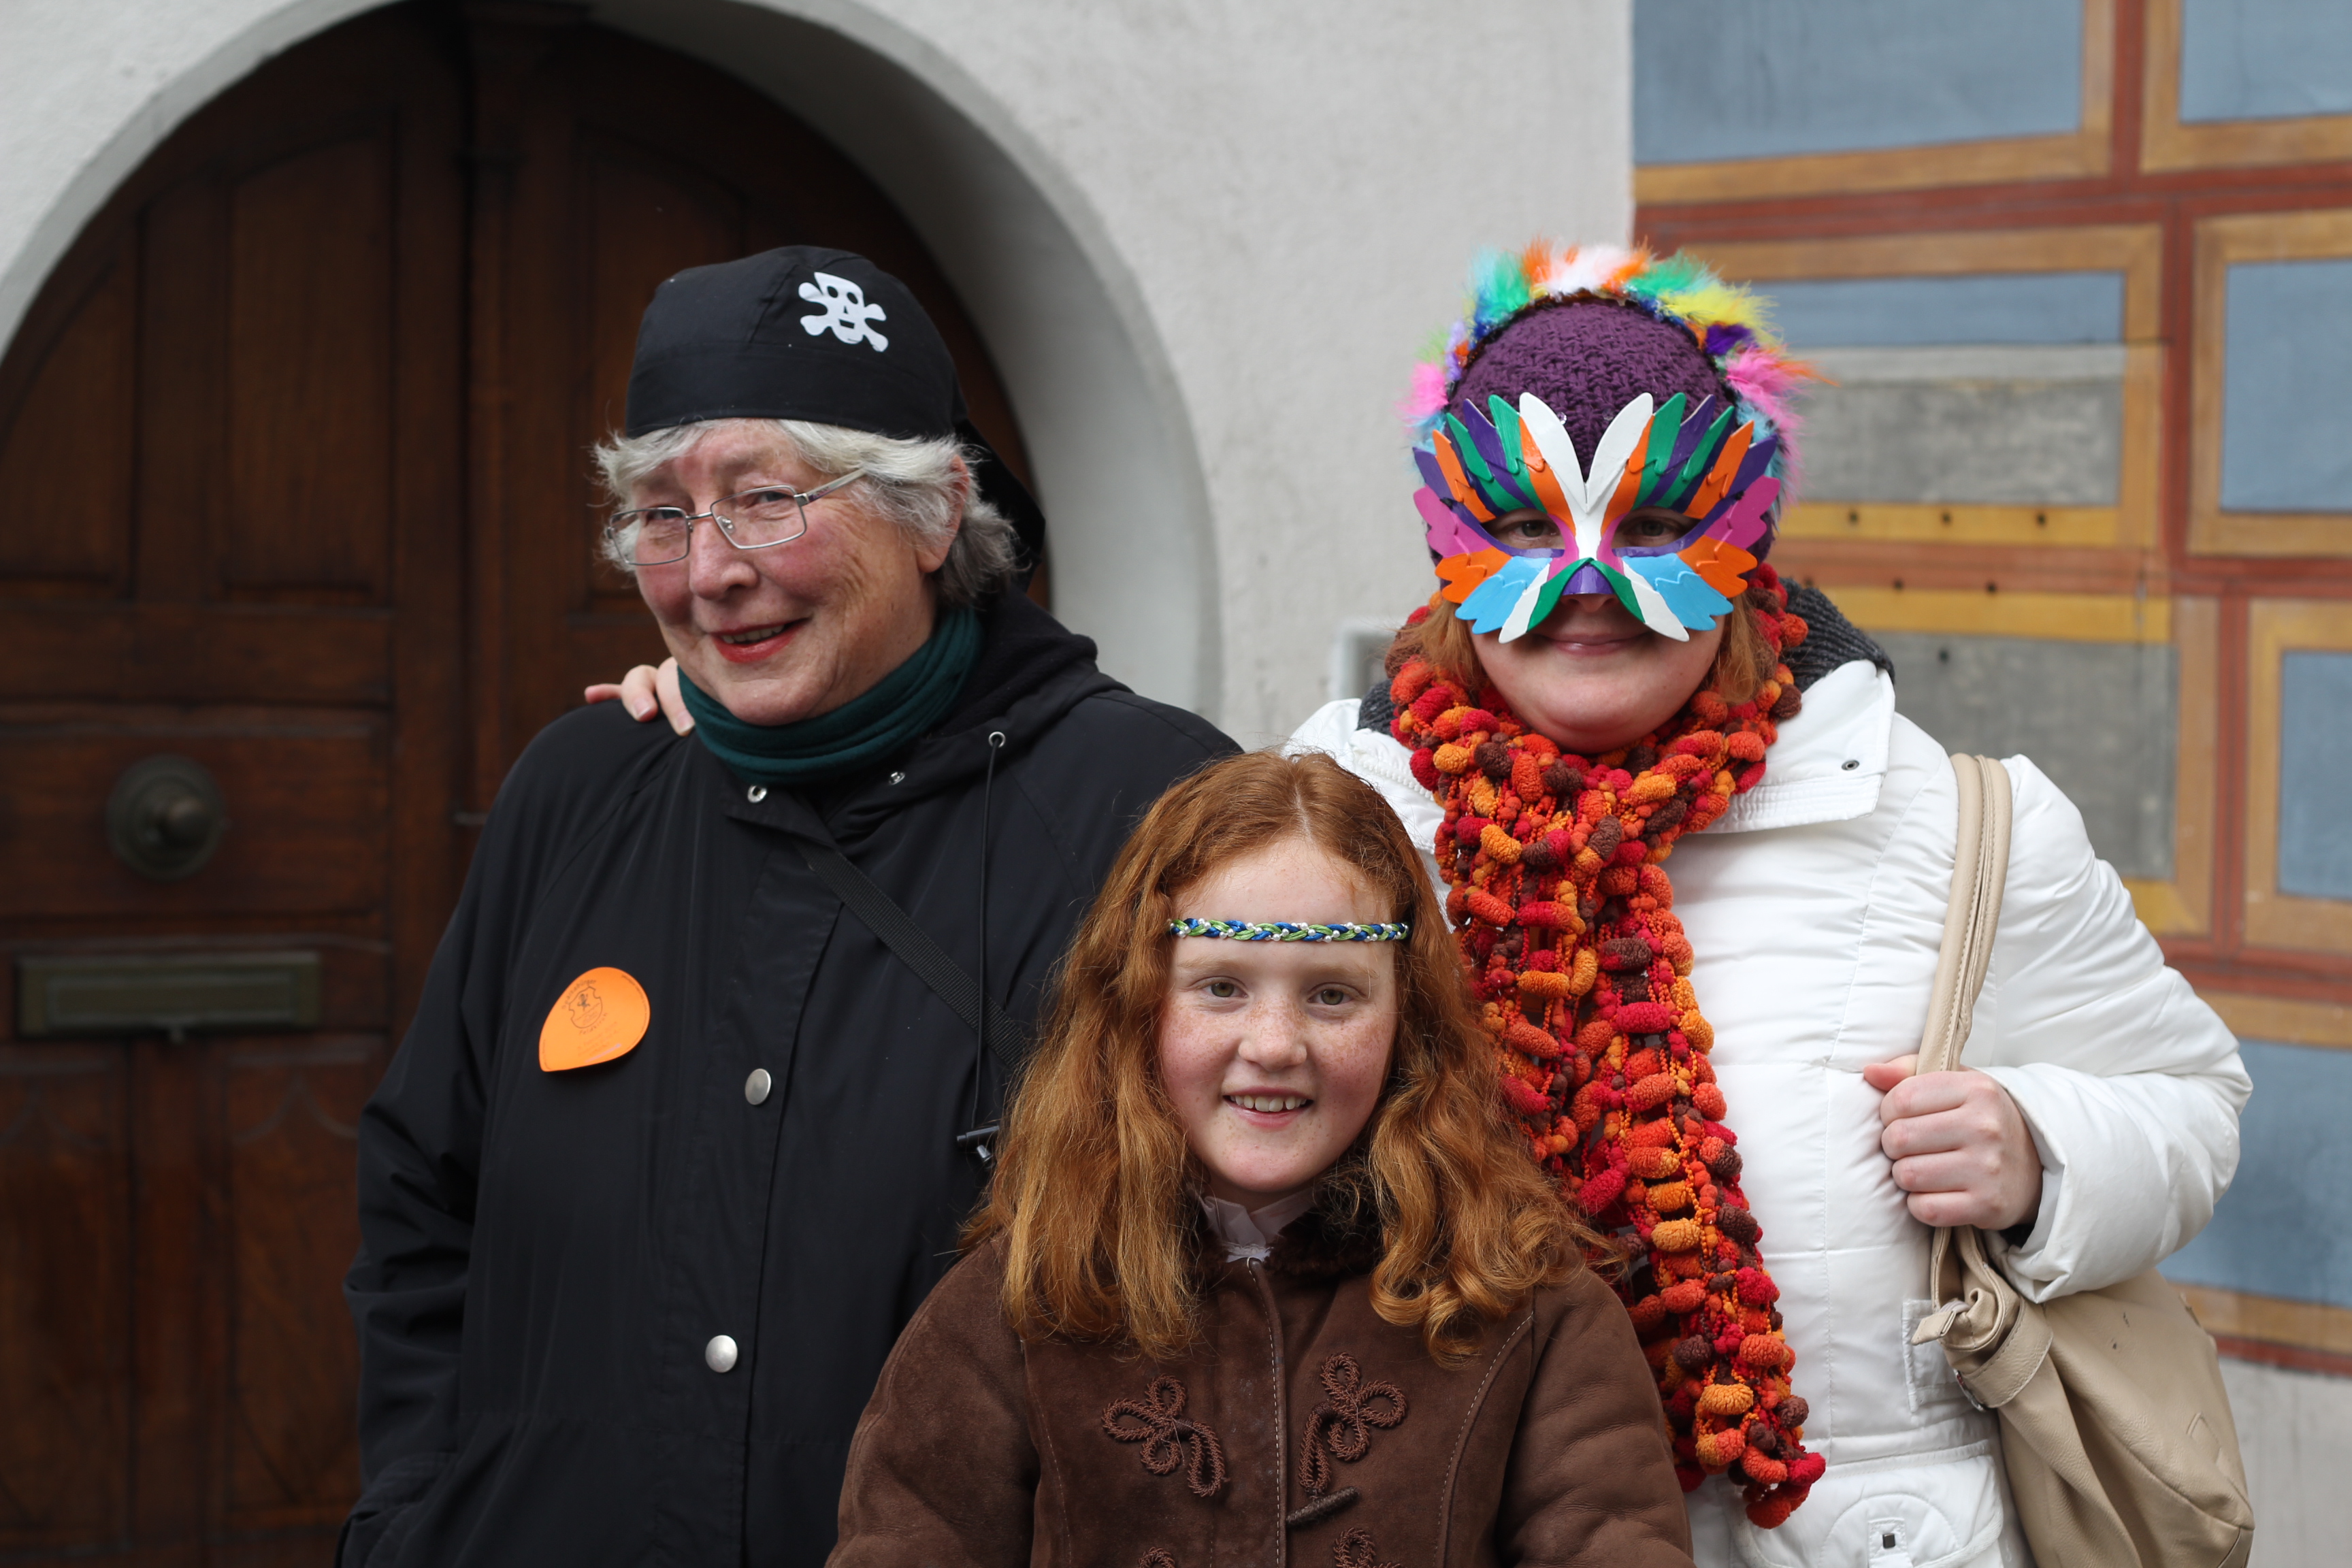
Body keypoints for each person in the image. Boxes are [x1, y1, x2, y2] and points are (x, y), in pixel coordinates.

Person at [1282, 242, 2249, 1567]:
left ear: (1744, 528)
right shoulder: (1321, 831)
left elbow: (2191, 1101)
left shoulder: (1956, 823)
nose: (1586, 585)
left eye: (1656, 526)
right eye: (1522, 529)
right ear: (1449, 532)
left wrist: (2040, 1157)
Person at [340, 246, 1231, 1567]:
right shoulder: (581, 792)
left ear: (936, 514)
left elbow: (1252, 1257)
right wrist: (414, 1523)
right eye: (662, 513)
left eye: (766, 500)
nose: (708, 572)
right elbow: (425, 1202)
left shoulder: (1150, 811)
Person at [830, 749, 1697, 1568]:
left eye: (1333, 994)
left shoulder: (1533, 1311)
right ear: (1137, 1006)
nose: (1275, 1045)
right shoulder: (1013, 1304)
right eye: (1221, 988)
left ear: (1408, 1023)